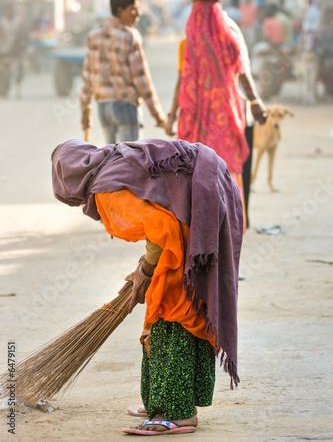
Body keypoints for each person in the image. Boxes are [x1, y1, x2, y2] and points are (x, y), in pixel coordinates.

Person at [51, 138, 244, 435]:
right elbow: (162, 209)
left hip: (202, 200)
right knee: (175, 301)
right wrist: (144, 269)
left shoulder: (107, 187)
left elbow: (163, 227)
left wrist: (146, 269)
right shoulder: (114, 165)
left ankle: (176, 411)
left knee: (174, 306)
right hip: (208, 190)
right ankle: (168, 398)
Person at [165, 0, 267, 228]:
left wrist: (172, 115)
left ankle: (206, 222)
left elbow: (183, 80)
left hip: (203, 118)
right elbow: (243, 71)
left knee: (199, 167)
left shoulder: (191, 39)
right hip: (230, 114)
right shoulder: (229, 35)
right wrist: (255, 100)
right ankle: (233, 219)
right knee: (230, 168)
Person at [80, 0, 166, 144]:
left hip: (104, 107)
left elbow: (88, 76)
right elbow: (142, 80)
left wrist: (85, 111)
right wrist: (157, 114)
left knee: (112, 163)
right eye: (133, 9)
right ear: (120, 11)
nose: (138, 14)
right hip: (126, 106)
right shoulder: (130, 36)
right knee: (130, 162)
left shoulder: (94, 35)